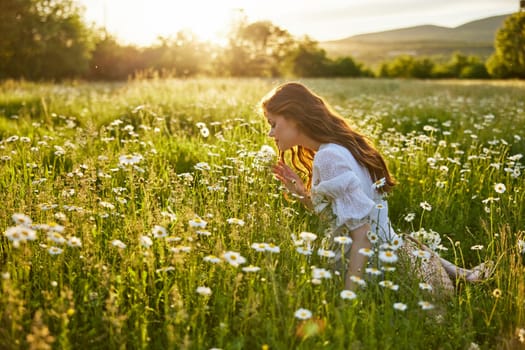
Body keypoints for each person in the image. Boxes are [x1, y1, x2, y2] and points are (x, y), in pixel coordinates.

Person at [260, 82, 493, 292]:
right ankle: (462, 275)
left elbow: (363, 234)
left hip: (368, 263)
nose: (270, 133)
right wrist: (303, 196)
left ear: (295, 117)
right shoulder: (344, 146)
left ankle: (459, 276)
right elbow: (343, 216)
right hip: (385, 247)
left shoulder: (328, 157)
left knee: (405, 241)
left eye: (273, 124)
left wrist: (349, 296)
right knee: (405, 239)